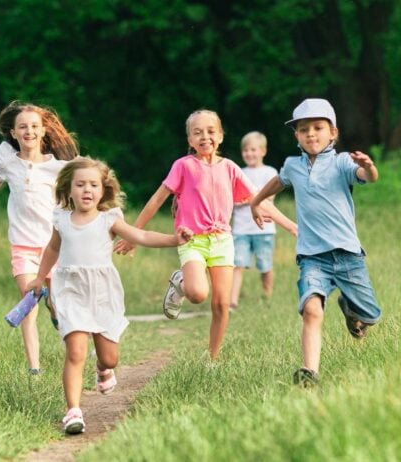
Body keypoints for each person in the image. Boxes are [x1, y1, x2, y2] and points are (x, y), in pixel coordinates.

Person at [115, 109, 297, 362]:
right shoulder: (183, 166)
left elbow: (260, 200)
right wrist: (133, 235)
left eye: (211, 131)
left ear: (220, 136)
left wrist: (292, 227)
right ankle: (181, 283)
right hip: (192, 241)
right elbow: (156, 200)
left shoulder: (230, 168)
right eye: (197, 132)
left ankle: (212, 359)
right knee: (198, 294)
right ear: (189, 140)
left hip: (222, 241)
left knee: (222, 305)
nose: (205, 137)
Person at [26, 157, 191, 434]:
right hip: (70, 290)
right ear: (69, 189)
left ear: (103, 190)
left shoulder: (109, 219)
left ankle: (103, 369)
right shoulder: (61, 219)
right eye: (80, 185)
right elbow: (52, 249)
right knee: (75, 351)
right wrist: (40, 277)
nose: (86, 190)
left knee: (110, 358)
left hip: (102, 292)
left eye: (93, 185)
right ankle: (73, 411)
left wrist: (174, 239)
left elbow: (142, 236)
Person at [250, 98, 381, 387]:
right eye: (303, 129)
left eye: (318, 128)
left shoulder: (342, 162)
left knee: (369, 315)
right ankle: (310, 372)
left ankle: (352, 311)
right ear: (296, 135)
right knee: (311, 309)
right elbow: (278, 181)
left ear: (333, 133)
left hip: (348, 255)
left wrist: (369, 166)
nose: (311, 133)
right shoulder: (293, 166)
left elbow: (367, 177)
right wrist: (256, 201)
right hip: (312, 256)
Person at [0, 101, 79, 375]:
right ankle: (34, 369)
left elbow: (76, 190)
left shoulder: (57, 167)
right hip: (22, 245)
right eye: (23, 127)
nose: (29, 131)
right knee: (29, 298)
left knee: (55, 300)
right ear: (14, 133)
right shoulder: (8, 161)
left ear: (43, 131)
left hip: (52, 247)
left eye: (34, 126)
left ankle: (56, 315)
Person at [230, 131, 279, 310]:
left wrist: (249, 198)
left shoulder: (270, 172)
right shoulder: (238, 173)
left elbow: (269, 199)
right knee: (238, 264)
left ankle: (267, 296)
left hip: (264, 229)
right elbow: (233, 199)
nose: (249, 154)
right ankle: (232, 301)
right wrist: (253, 197)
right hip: (241, 230)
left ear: (263, 151)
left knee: (265, 266)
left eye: (253, 150)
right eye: (245, 150)